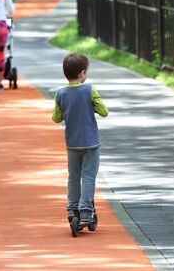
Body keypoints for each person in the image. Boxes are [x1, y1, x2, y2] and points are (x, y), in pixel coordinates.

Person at [52, 53, 109, 225]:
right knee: (89, 176)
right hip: (91, 142)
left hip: (72, 143)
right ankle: (85, 211)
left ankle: (72, 208)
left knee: (74, 177)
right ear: (82, 73)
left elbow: (56, 117)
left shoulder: (60, 94)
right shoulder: (89, 90)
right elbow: (104, 111)